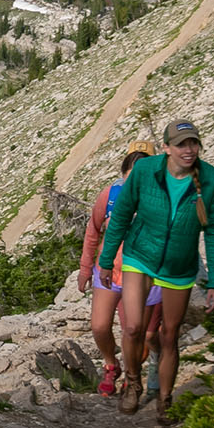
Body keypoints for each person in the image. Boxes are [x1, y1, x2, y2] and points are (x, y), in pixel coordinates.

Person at [98, 120, 214, 422]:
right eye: (181, 144)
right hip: (139, 256)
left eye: (193, 143)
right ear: (166, 148)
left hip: (179, 265)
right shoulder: (145, 171)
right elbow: (120, 215)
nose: (189, 149)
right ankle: (132, 383)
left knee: (169, 335)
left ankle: (165, 400)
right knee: (133, 327)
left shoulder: (210, 180)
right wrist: (106, 260)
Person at [78, 143, 157, 396]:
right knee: (100, 326)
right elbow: (93, 230)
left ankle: (132, 372)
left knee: (135, 332)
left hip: (145, 275)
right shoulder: (110, 195)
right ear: (123, 173)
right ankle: (111, 364)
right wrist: (85, 268)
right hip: (109, 271)